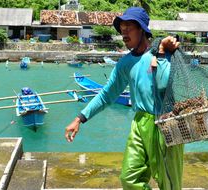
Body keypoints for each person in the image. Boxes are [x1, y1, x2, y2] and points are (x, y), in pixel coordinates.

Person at [64, 7, 183, 190]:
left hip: (166, 123)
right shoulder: (125, 63)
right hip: (140, 123)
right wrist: (80, 117)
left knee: (169, 183)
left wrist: (160, 55)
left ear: (142, 29)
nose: (124, 31)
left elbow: (163, 84)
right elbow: (106, 94)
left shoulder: (163, 51)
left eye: (129, 26)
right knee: (129, 178)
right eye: (122, 28)